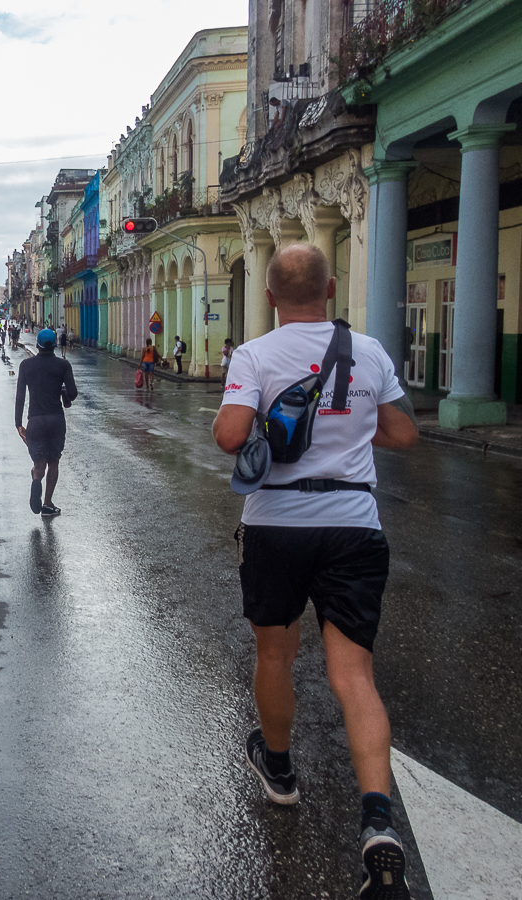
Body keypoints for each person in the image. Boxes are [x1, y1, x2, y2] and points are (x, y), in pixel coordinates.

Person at [212, 243, 419, 900]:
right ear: (330, 291)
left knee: (275, 654)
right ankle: (379, 829)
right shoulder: (372, 352)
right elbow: (403, 433)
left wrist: (254, 423)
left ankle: (278, 772)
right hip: (355, 523)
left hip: (278, 525)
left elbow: (228, 434)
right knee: (353, 675)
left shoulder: (254, 355)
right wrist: (350, 434)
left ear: (271, 297)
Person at [15, 327, 77, 519]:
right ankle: (48, 504)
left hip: (35, 420)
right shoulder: (63, 365)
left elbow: (20, 396)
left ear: (38, 345)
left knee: (39, 463)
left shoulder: (26, 365)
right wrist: (63, 393)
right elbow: (73, 393)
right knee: (54, 461)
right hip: (56, 420)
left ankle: (36, 478)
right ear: (55, 345)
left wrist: (18, 423)